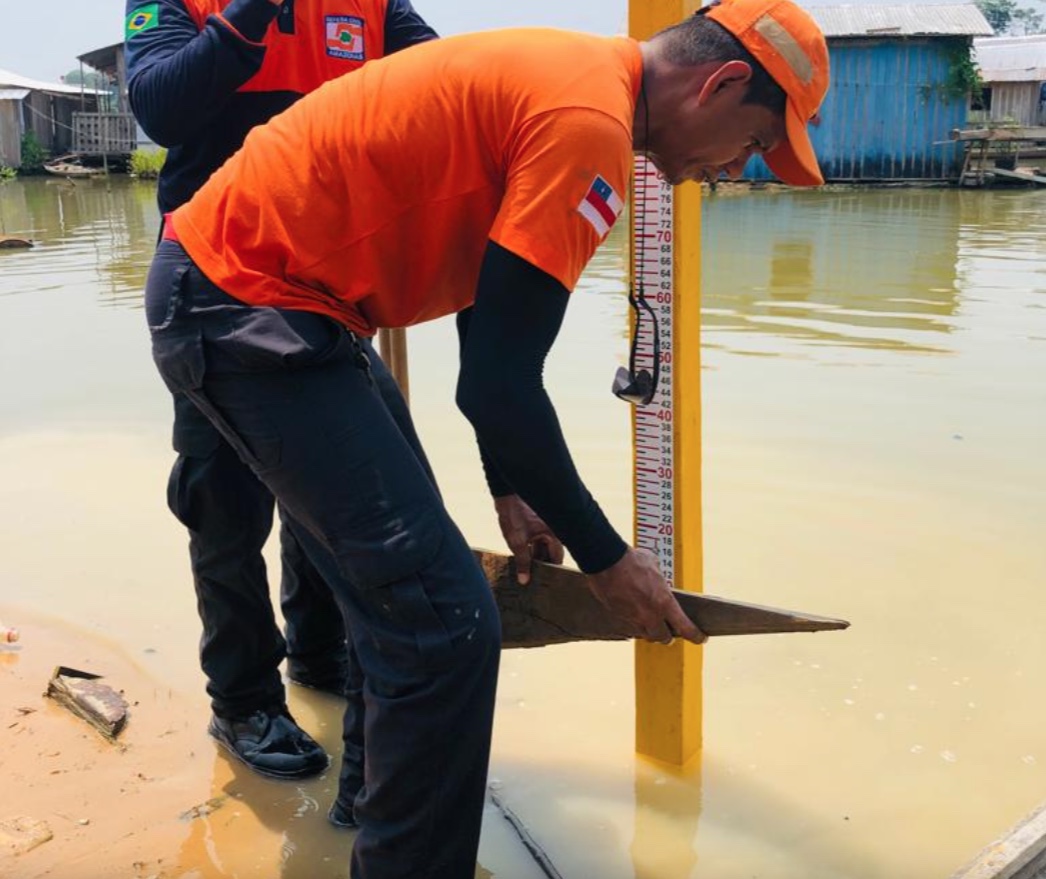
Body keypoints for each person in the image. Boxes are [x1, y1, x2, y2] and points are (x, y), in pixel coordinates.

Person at [142, 0, 829, 874]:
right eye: (753, 144)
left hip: (285, 302)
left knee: (406, 597)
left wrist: (514, 489)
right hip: (246, 303)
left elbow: (489, 319)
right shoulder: (589, 123)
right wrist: (610, 559)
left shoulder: (576, 82)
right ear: (722, 83)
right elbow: (502, 388)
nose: (729, 170)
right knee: (443, 625)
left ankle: (370, 814)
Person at [124, 0, 437, 782]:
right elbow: (161, 107)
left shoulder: (376, 5)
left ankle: (320, 655)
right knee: (223, 506)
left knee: (330, 494)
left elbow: (437, 88)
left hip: (329, 288)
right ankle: (243, 700)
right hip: (214, 286)